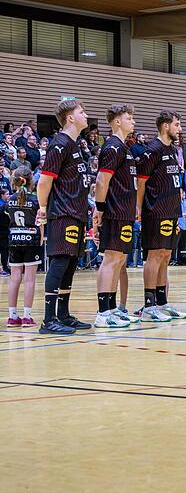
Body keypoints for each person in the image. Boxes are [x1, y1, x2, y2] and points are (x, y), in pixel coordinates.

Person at [35, 100, 93, 334]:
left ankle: (63, 315)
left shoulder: (76, 144)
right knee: (60, 263)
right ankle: (48, 320)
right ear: (70, 118)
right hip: (62, 213)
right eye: (82, 112)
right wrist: (42, 208)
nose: (86, 115)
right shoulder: (59, 144)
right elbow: (44, 181)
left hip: (77, 213)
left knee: (70, 264)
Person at [135, 110, 186, 321]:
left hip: (172, 210)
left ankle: (162, 302)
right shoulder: (152, 150)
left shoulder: (173, 150)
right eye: (177, 124)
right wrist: (138, 209)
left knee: (166, 256)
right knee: (155, 255)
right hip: (155, 210)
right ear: (165, 126)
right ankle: (149, 306)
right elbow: (140, 182)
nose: (180, 129)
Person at [92, 104, 138, 328]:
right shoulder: (112, 147)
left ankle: (111, 309)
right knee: (111, 259)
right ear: (117, 121)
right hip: (114, 211)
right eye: (129, 118)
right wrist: (100, 207)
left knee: (119, 260)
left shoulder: (124, 147)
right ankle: (103, 312)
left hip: (126, 212)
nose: (133, 121)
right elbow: (102, 181)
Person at [7, 166, 41, 327]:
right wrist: (41, 237)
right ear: (30, 180)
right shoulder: (35, 200)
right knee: (29, 279)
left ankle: (12, 316)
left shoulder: (10, 199)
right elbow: (40, 221)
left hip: (14, 239)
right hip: (31, 240)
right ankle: (27, 316)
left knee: (14, 279)